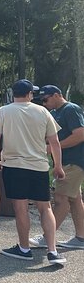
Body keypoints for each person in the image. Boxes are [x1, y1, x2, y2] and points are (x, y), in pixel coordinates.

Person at [0, 79, 67, 265]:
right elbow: (54, 142)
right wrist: (58, 165)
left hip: (14, 165)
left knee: (20, 207)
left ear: (13, 93)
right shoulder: (42, 111)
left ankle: (24, 248)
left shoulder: (3, 111)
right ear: (30, 94)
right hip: (39, 165)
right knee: (45, 207)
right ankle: (52, 250)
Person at [28, 85, 84, 249]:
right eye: (42, 100)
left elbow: (80, 134)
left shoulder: (70, 109)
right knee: (75, 199)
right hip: (66, 161)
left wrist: (54, 147)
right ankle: (81, 238)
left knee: (60, 199)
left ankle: (47, 237)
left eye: (46, 99)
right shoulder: (53, 113)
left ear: (57, 95)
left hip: (73, 161)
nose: (44, 103)